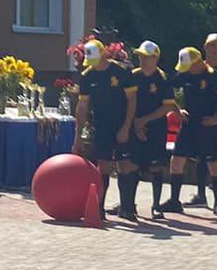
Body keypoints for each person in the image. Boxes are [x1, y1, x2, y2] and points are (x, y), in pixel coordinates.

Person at [163, 46, 217, 216]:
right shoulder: (186, 74)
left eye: (189, 67)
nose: (187, 71)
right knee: (176, 160)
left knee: (213, 163)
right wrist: (178, 109)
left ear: (197, 62)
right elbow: (167, 87)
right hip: (189, 124)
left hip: (208, 125)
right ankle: (174, 200)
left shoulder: (212, 75)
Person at [115, 42, 175, 220]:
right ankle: (128, 205)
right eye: (140, 55)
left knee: (156, 166)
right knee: (132, 164)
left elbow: (168, 106)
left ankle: (156, 206)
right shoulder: (132, 76)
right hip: (134, 126)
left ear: (155, 58)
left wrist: (144, 121)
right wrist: (135, 124)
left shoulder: (163, 78)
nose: (142, 59)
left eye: (146, 56)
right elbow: (125, 102)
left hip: (156, 127)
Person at [75, 37, 136, 201]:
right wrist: (78, 137)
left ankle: (127, 206)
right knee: (103, 166)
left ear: (103, 54)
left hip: (122, 122)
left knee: (124, 165)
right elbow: (82, 106)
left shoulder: (121, 72)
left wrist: (126, 127)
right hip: (101, 125)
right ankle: (99, 206)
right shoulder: (87, 76)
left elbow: (132, 100)